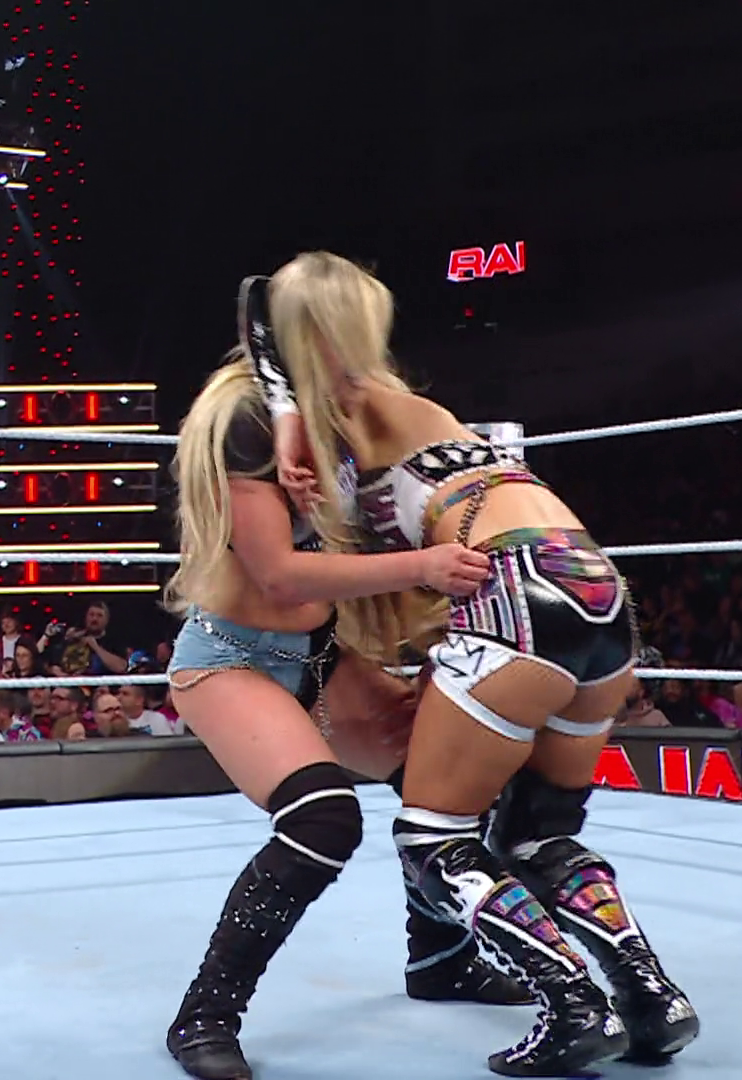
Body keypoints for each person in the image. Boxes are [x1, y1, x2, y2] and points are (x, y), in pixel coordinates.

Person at [246, 253, 696, 1075]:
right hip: (596, 584)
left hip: (512, 589)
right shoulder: (423, 411)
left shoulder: (339, 412)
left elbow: (255, 316)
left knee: (433, 836)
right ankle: (650, 997)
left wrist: (282, 425)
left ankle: (572, 1004)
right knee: (537, 832)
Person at [159, 348, 527, 1080]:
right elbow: (279, 573)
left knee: (450, 775)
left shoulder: (342, 421)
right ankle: (205, 1014)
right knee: (321, 818)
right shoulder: (243, 420)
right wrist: (423, 567)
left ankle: (442, 957)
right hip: (231, 656)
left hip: (323, 651)